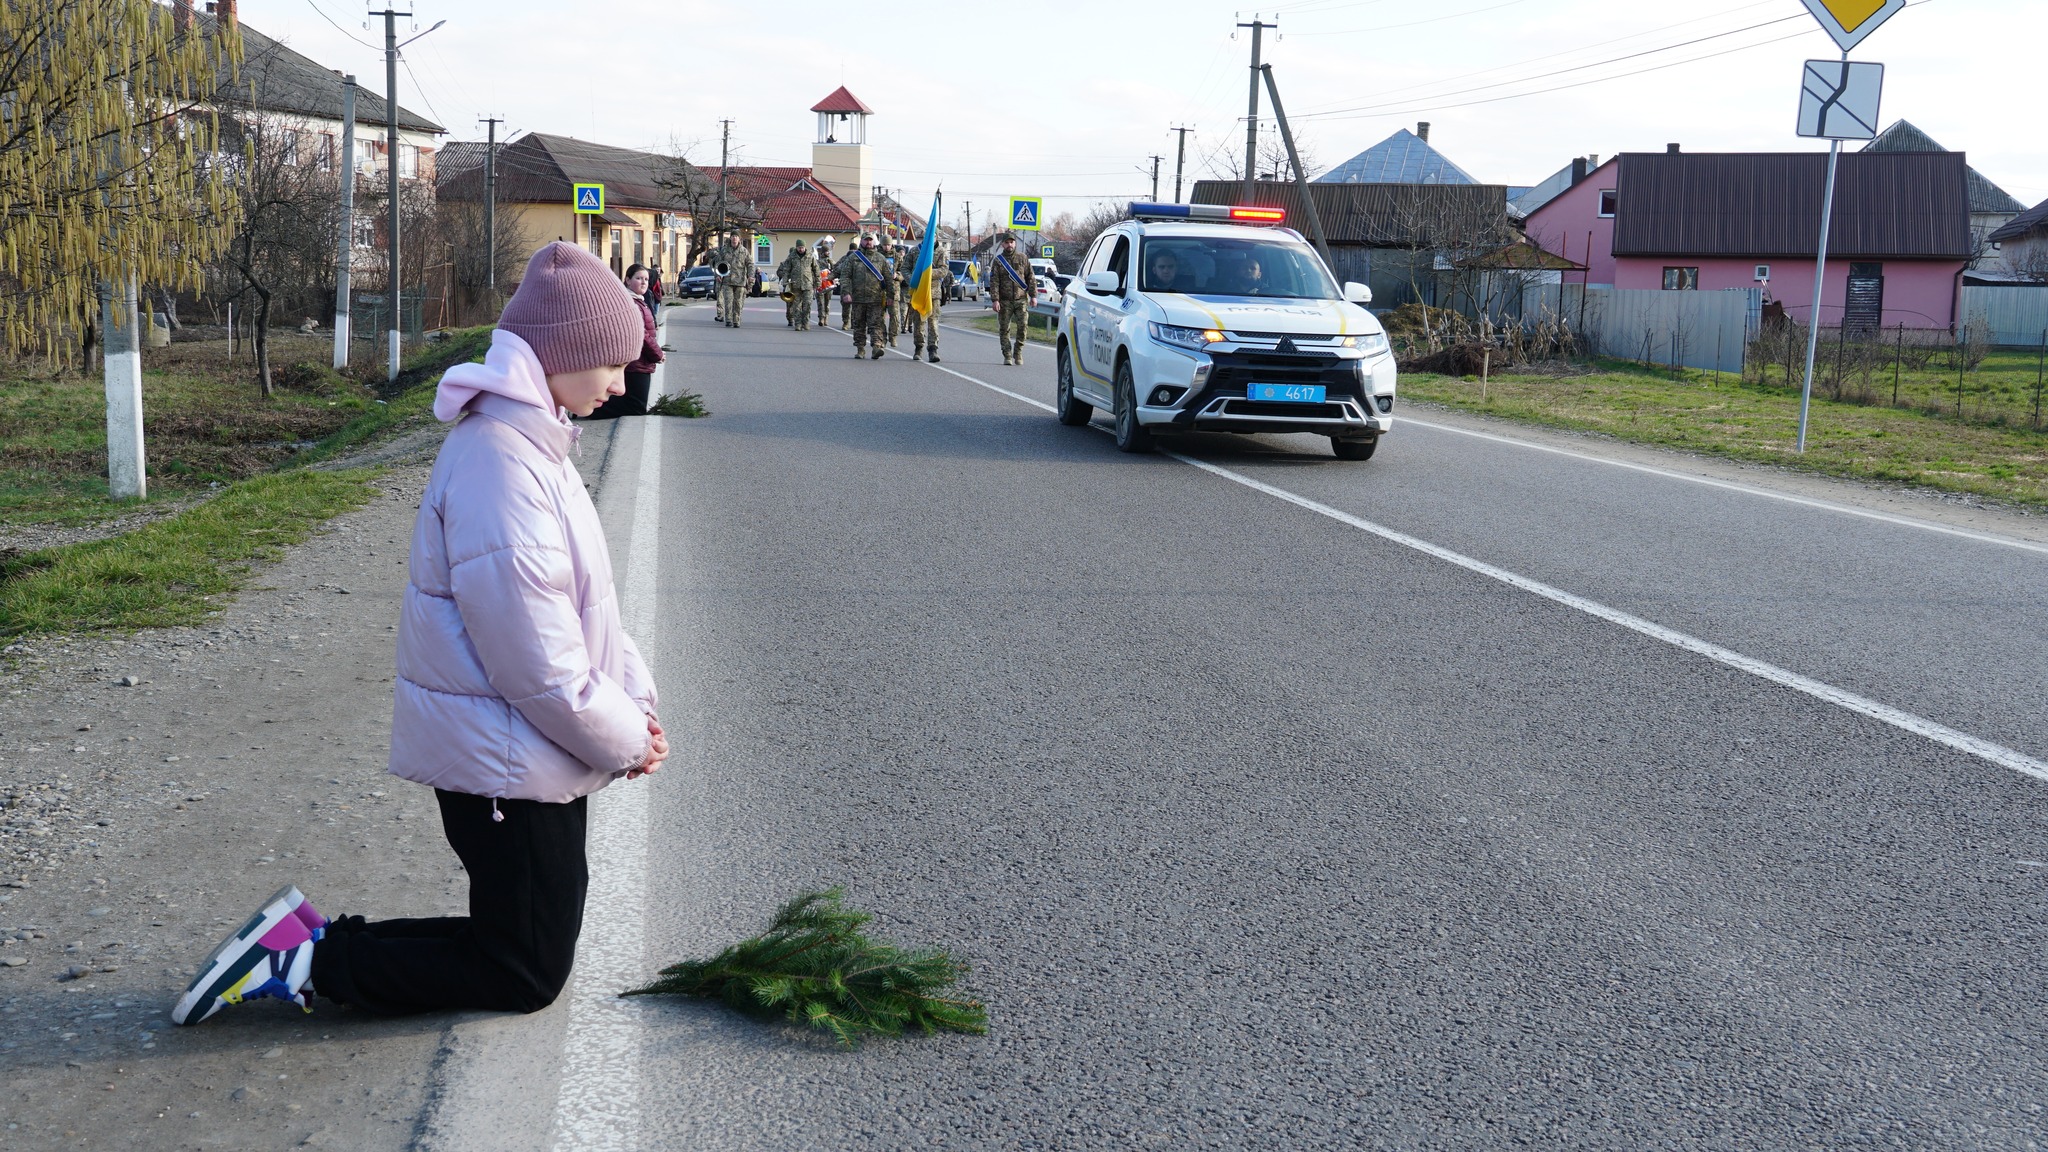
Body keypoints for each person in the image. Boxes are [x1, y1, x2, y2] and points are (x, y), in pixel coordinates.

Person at [170, 242, 668, 1026]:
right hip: (508, 762)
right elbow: (535, 660)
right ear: (564, 352)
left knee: (519, 948)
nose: (623, 381)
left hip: (528, 748)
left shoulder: (537, 447)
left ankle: (307, 946)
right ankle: (308, 958)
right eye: (614, 361)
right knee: (523, 969)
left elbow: (585, 606)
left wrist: (636, 707)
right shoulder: (503, 464)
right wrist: (626, 739)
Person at [589, 263, 665, 419]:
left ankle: (588, 405)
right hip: (635, 362)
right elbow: (641, 334)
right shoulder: (631, 303)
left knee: (632, 401)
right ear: (628, 280)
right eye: (638, 278)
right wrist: (658, 354)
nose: (643, 282)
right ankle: (588, 408)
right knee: (636, 407)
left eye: (646, 279)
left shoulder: (639, 300)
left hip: (640, 360)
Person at [833, 232, 895, 360]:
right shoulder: (853, 258)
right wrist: (846, 293)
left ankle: (876, 347)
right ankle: (860, 349)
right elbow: (845, 276)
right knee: (859, 324)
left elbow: (888, 279)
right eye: (866, 240)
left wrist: (890, 296)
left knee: (876, 323)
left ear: (874, 242)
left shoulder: (880, 258)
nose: (868, 242)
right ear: (861, 241)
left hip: (876, 298)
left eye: (870, 240)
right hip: (858, 298)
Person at [987, 232, 1036, 366]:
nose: (1010, 245)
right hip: (1004, 301)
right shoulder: (998, 261)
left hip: (1021, 299)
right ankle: (1007, 355)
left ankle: (1018, 352)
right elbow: (994, 281)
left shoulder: (1023, 258)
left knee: (1023, 326)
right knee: (1004, 328)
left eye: (1012, 242)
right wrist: (995, 300)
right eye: (1007, 242)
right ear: (1002, 244)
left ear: (1015, 243)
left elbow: (1030, 278)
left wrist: (1033, 296)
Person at [910, 254, 949, 364]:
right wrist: (913, 279)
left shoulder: (941, 252)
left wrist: (927, 274)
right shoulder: (916, 251)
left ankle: (933, 350)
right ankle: (919, 348)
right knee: (918, 322)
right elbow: (905, 268)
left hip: (934, 295)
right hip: (919, 293)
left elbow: (944, 270)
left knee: (933, 323)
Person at [777, 241, 816, 331]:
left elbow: (815, 269)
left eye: (802, 247)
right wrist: (785, 282)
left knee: (807, 304)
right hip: (795, 285)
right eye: (799, 247)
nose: (801, 249)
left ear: (805, 247)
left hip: (808, 285)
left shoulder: (810, 256)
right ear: (796, 247)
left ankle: (805, 322)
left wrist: (817, 282)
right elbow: (786, 270)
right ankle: (797, 323)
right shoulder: (791, 257)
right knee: (796, 305)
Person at [716, 235, 750, 327]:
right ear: (730, 238)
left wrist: (751, 276)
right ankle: (728, 319)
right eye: (733, 236)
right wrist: (718, 275)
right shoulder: (724, 250)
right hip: (727, 280)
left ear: (739, 239)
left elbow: (750, 264)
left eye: (736, 236)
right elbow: (718, 263)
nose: (734, 238)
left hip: (740, 281)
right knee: (728, 301)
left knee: (738, 302)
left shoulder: (744, 251)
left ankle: (736, 320)